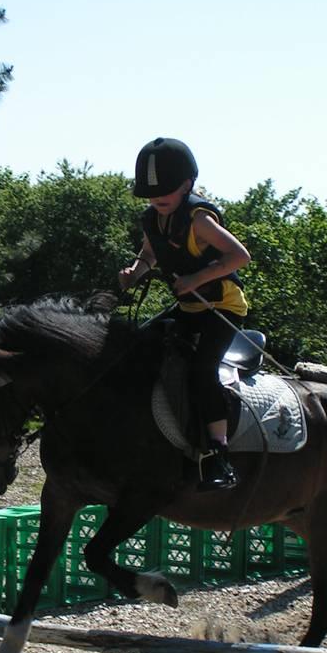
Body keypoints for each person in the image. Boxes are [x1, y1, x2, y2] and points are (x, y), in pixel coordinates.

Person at [119, 137, 250, 490]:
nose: (157, 198)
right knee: (138, 346)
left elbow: (240, 256)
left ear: (187, 184)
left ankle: (218, 455)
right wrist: (135, 272)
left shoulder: (199, 219)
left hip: (222, 307)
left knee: (202, 369)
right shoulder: (152, 219)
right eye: (151, 193)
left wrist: (197, 278)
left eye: (165, 191)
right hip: (189, 307)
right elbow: (149, 255)